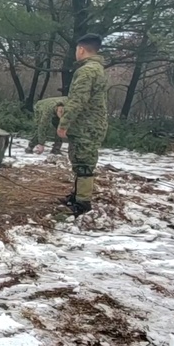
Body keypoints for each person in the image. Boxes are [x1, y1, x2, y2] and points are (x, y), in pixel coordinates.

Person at [57, 33, 110, 215]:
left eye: (76, 50)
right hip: (90, 125)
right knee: (80, 161)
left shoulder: (87, 71)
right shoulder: (97, 68)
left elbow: (78, 100)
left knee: (84, 163)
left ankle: (82, 203)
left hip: (87, 126)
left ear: (81, 49)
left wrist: (64, 124)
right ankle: (77, 195)